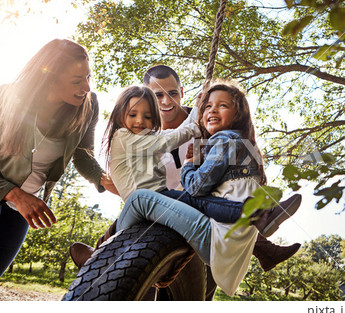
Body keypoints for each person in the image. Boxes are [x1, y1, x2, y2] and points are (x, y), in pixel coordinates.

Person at [85, 80, 301, 296]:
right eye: (133, 114)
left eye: (148, 116)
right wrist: (195, 129)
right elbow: (167, 142)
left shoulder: (150, 137)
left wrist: (200, 108)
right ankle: (97, 253)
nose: (140, 121)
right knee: (144, 197)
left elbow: (172, 135)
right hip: (135, 213)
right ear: (120, 115)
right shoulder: (123, 137)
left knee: (193, 199)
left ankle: (255, 215)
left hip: (161, 205)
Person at [0, 39, 116, 276]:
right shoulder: (7, 98)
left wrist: (105, 180)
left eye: (88, 77)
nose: (86, 87)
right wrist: (14, 194)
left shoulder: (88, 105)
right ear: (49, 78)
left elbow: (83, 156)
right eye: (76, 81)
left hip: (23, 207)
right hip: (15, 197)